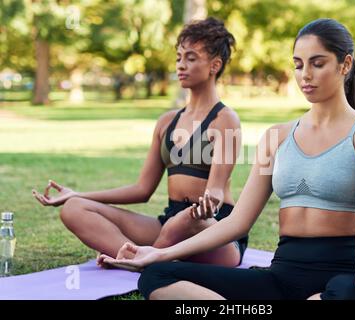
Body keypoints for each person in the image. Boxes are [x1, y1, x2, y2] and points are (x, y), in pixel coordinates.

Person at [101, 18, 355, 300]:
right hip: (283, 275)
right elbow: (238, 221)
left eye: (317, 64)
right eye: (298, 65)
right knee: (158, 275)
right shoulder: (275, 138)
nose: (305, 75)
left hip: (343, 276)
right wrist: (159, 253)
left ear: (345, 64)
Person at [32, 17, 248, 268]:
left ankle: (144, 259)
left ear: (214, 65)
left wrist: (206, 207)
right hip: (168, 225)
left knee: (184, 220)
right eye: (178, 57)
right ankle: (139, 257)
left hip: (213, 231)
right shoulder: (167, 121)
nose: (181, 65)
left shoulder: (225, 120)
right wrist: (78, 194)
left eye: (191, 58)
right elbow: (142, 189)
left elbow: (216, 193)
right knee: (74, 209)